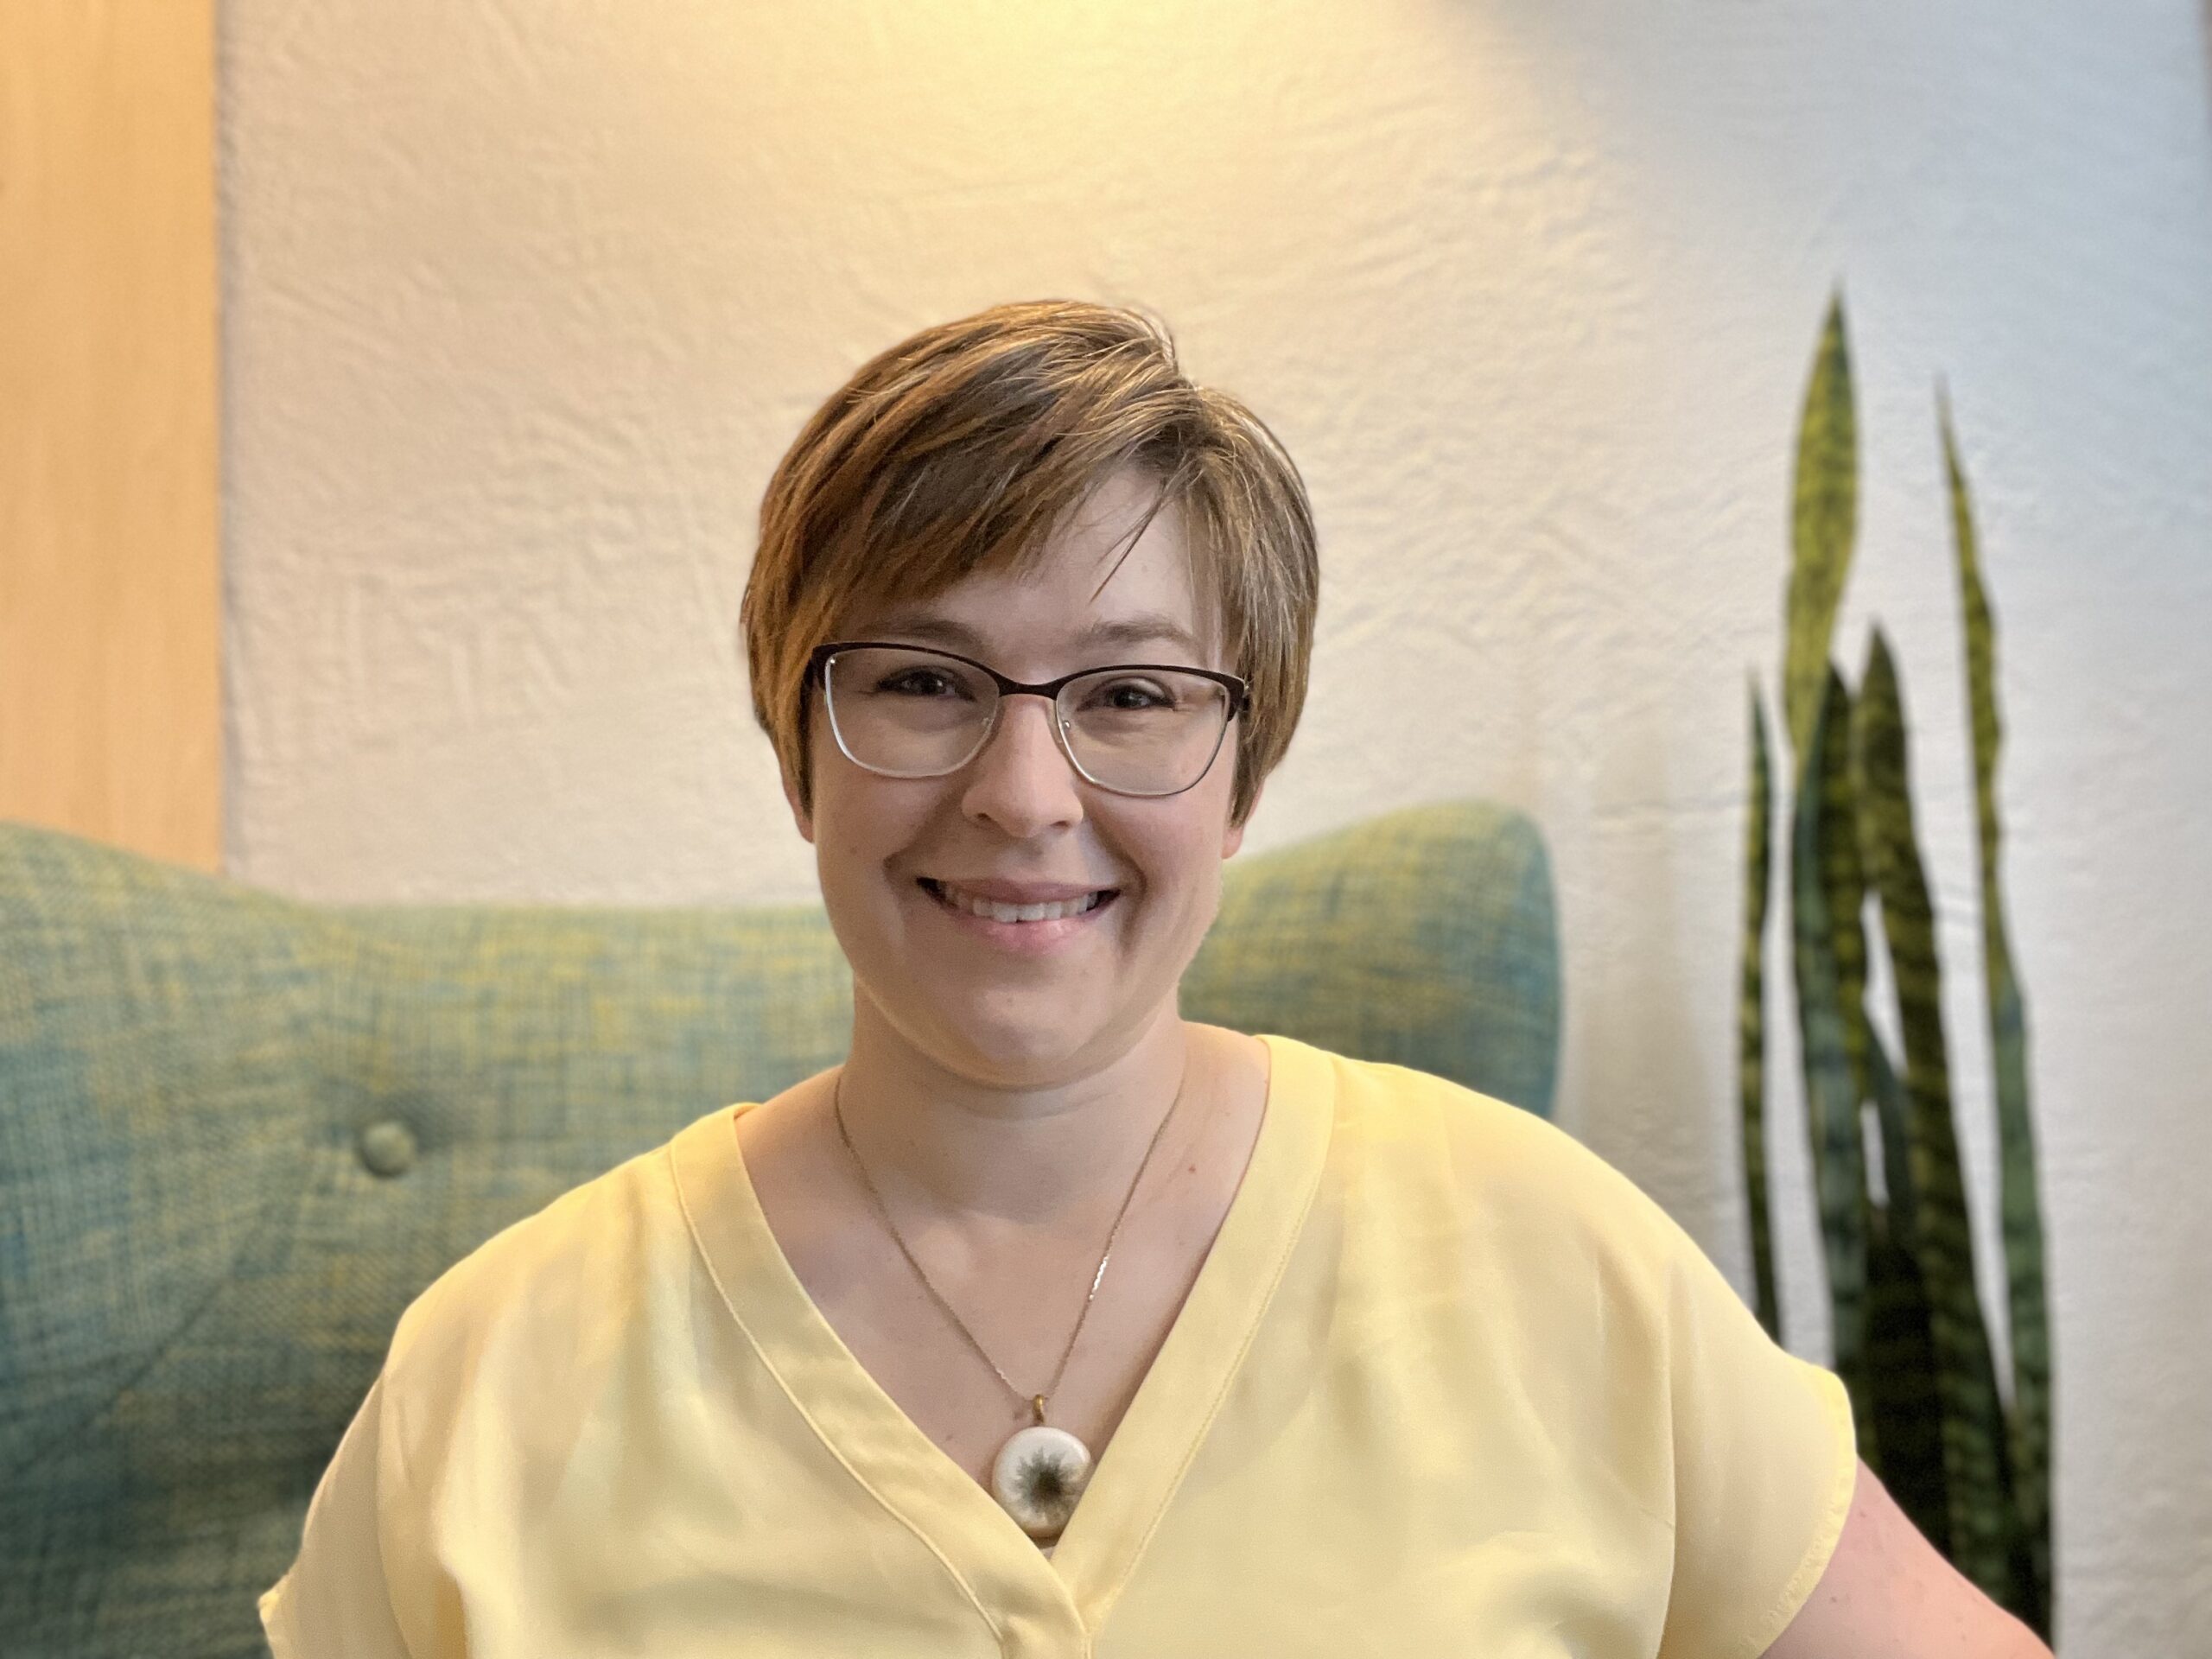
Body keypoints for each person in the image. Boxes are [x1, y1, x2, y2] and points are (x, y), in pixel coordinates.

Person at [258, 301, 2051, 1657]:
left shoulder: (1549, 1260)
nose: (1021, 794)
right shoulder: (492, 1376)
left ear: (1240, 767)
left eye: (1128, 695)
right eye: (921, 681)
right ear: (795, 738)